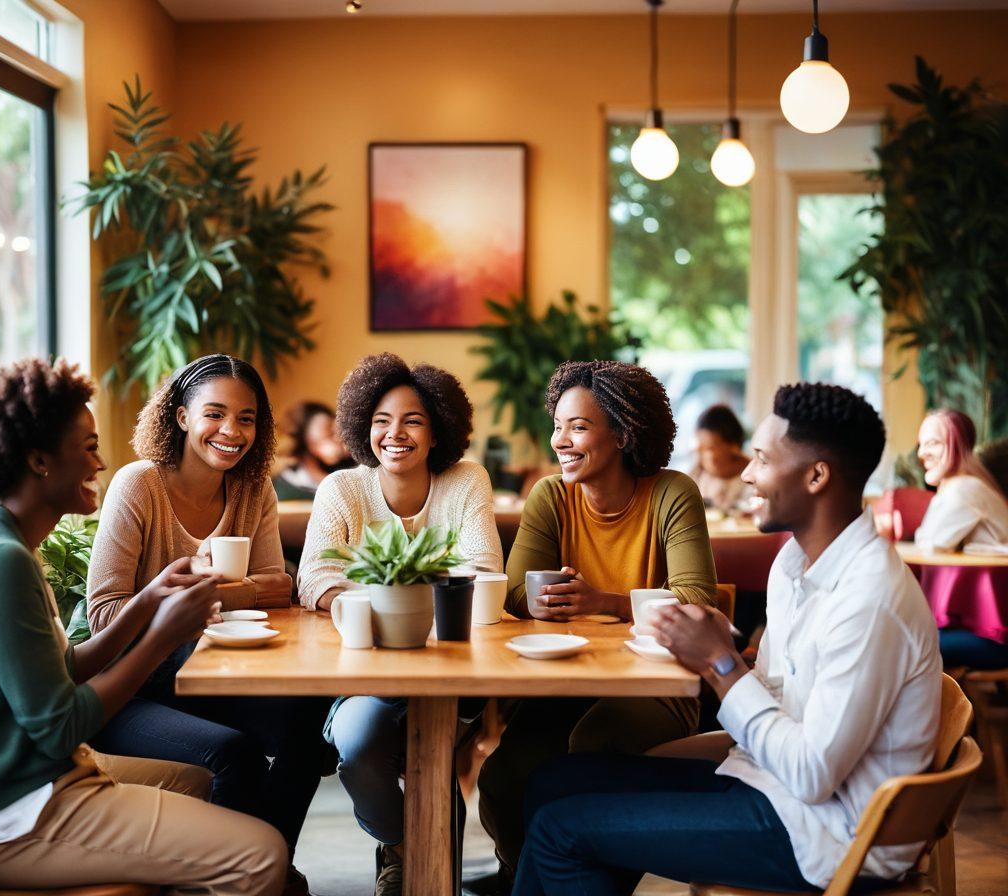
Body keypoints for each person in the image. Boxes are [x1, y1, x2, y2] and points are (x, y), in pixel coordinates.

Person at [514, 382, 942, 895]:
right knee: (551, 783)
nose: (746, 474)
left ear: (816, 476)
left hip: (824, 833)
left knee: (562, 831)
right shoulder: (796, 563)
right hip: (767, 783)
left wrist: (723, 666)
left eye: (761, 459)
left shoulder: (870, 600)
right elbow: (781, 707)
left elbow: (811, 774)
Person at [0, 358, 286, 894]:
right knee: (261, 856)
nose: (101, 462)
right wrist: (161, 635)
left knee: (209, 779)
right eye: (86, 448)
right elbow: (63, 726)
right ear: (39, 461)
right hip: (12, 816)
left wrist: (148, 600)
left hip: (20, 782)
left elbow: (62, 670)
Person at [84, 353, 332, 895]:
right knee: (235, 752)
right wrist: (233, 591)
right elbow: (103, 613)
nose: (231, 431)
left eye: (246, 419)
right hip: (128, 688)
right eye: (214, 414)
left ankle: (263, 873)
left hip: (210, 675)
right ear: (179, 417)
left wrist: (203, 591)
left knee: (309, 726)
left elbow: (279, 589)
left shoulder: (252, 490)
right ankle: (252, 876)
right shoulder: (138, 485)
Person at [475, 360, 717, 894]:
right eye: (558, 425)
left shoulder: (671, 494)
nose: (560, 440)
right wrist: (541, 597)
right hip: (563, 680)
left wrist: (602, 600)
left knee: (589, 750)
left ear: (624, 433)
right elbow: (516, 594)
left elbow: (697, 599)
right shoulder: (551, 496)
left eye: (578, 427)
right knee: (502, 779)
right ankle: (530, 875)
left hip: (653, 689)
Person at [297, 352, 502, 896]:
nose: (395, 434)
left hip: (453, 669)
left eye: (413, 420)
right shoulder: (343, 490)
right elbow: (314, 575)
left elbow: (483, 570)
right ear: (364, 429)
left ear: (437, 432)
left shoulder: (465, 481)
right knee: (357, 741)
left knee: (434, 757)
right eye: (382, 421)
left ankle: (425, 875)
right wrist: (369, 603)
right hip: (368, 671)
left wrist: (379, 594)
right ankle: (405, 848)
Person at [913, 408, 1008, 668]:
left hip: (995, 638)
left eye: (933, 443)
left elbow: (930, 545)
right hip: (983, 629)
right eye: (921, 444)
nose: (922, 453)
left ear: (957, 444)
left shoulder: (964, 489)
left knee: (903, 642)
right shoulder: (959, 486)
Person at [273, 401, 353, 501]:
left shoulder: (351, 468)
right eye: (329, 433)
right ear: (305, 445)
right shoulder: (285, 491)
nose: (340, 437)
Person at [690, 403, 753, 515]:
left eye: (708, 448)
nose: (700, 454)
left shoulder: (751, 478)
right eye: (700, 447)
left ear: (734, 447)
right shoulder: (697, 474)